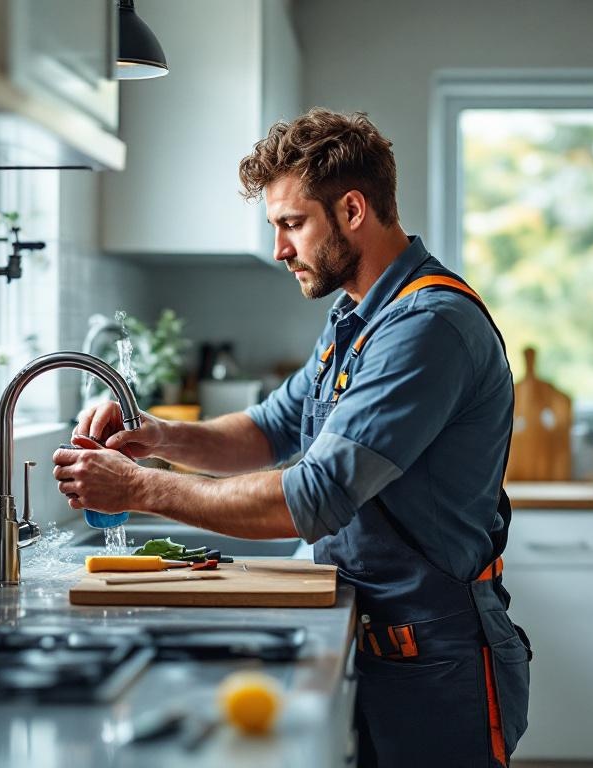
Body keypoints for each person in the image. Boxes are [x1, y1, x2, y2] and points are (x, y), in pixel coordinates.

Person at [53, 108, 530, 767]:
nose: (280, 249)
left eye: (291, 224)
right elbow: (269, 427)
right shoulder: (360, 317)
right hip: (377, 642)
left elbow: (312, 496)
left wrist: (139, 487)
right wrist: (152, 435)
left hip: (435, 666)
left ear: (354, 210)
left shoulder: (427, 327)